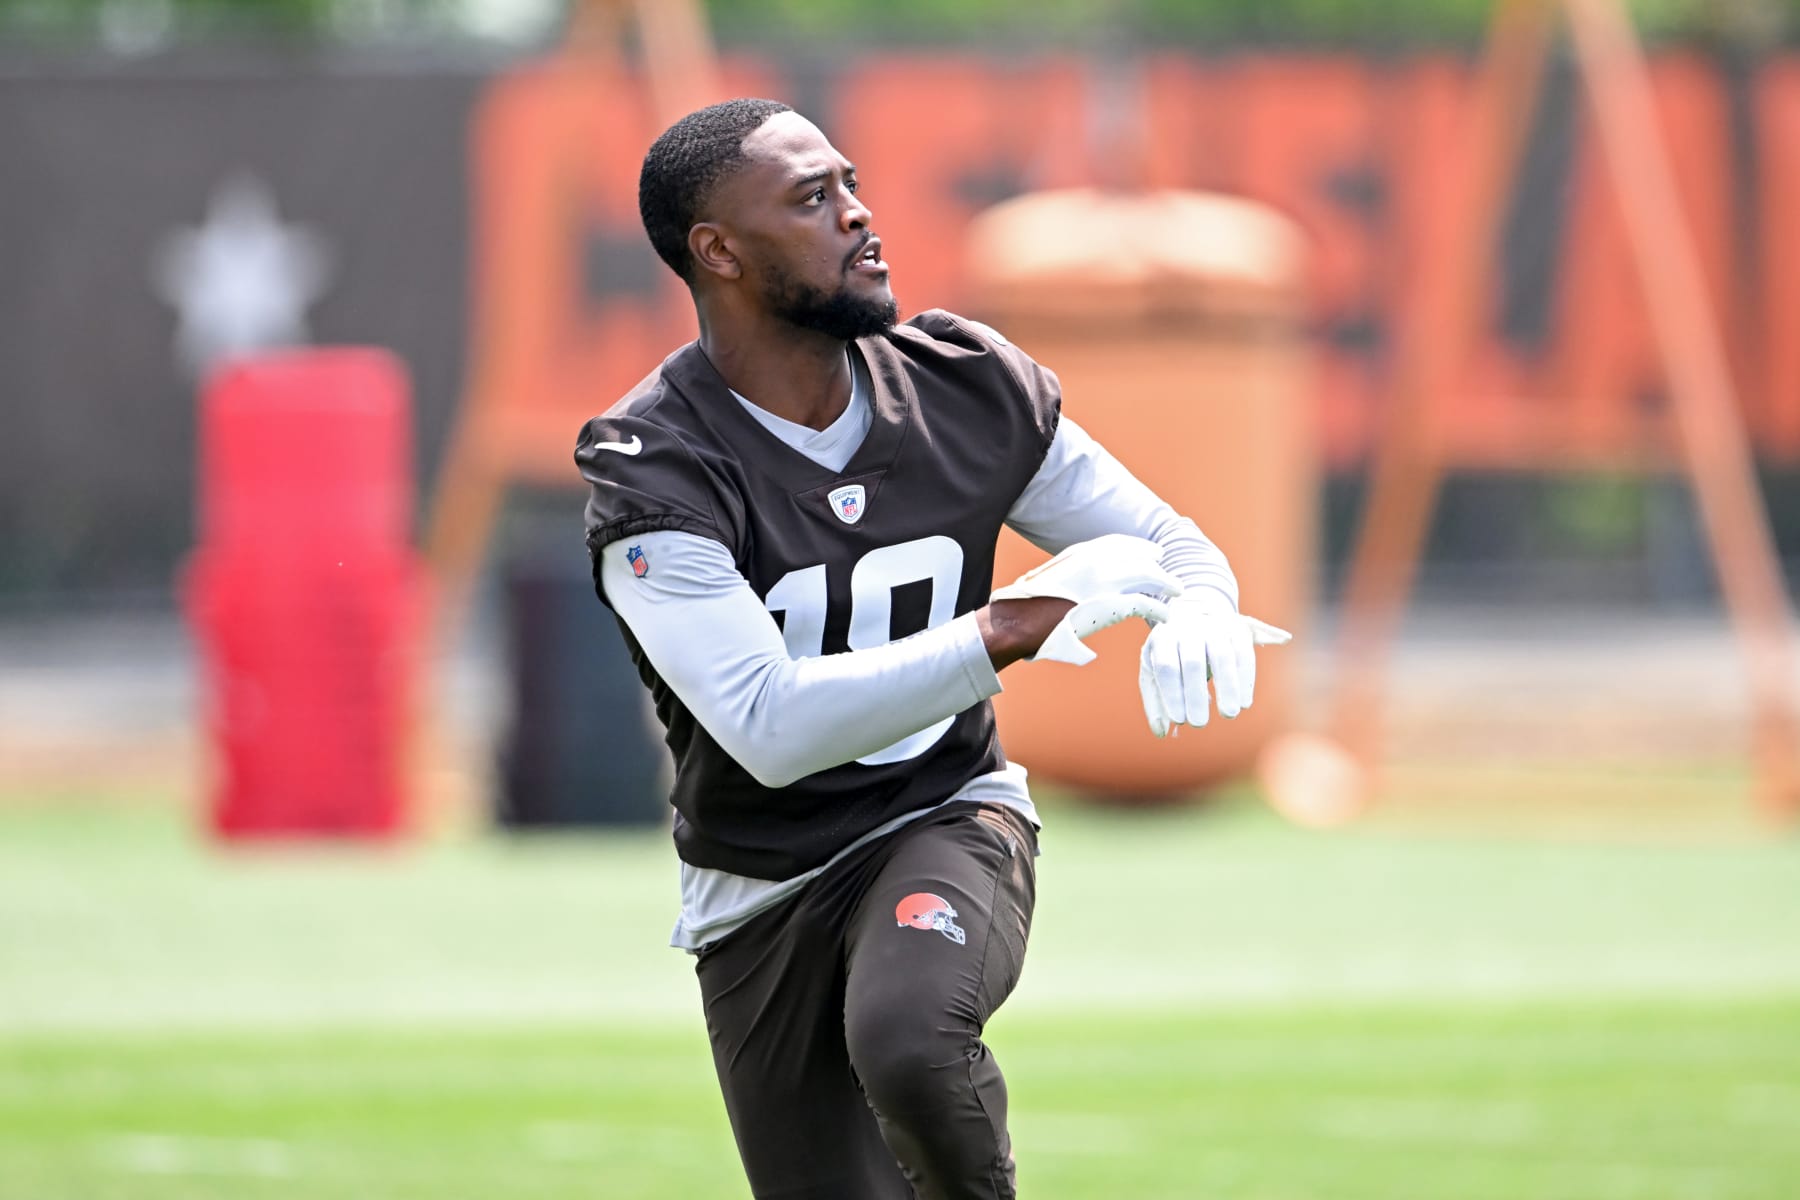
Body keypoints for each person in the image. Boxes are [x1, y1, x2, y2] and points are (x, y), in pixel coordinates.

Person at [576, 97, 1288, 1200]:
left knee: (910, 1037)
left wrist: (1197, 600)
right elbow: (768, 728)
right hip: (757, 885)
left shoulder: (965, 386)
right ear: (717, 251)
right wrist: (1009, 626)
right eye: (813, 199)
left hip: (941, 812)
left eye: (850, 183)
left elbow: (1165, 539)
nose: (860, 215)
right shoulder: (654, 461)